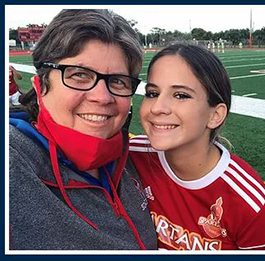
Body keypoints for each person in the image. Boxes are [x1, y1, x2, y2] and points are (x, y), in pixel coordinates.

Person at [9, 9, 157, 250]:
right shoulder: (13, 165)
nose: (102, 97)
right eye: (79, 75)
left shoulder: (131, 159)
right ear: (40, 85)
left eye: (118, 80)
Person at [129, 44, 265, 250]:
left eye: (181, 95)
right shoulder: (129, 156)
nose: (157, 108)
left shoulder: (250, 205)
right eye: (152, 93)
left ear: (215, 115)